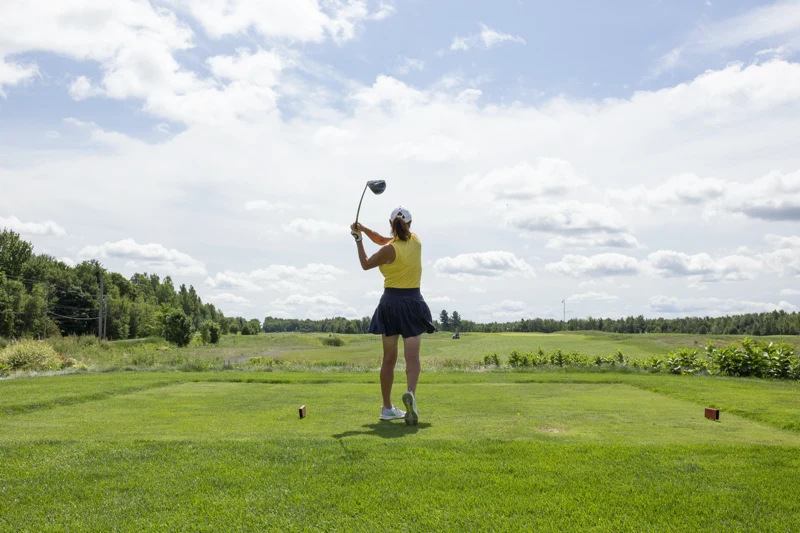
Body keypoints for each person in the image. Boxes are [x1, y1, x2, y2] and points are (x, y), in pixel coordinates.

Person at [350, 206, 435, 426]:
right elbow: (382, 239)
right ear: (410, 224)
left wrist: (358, 238)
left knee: (389, 359)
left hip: (390, 304)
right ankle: (411, 396)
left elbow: (366, 264)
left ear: (391, 224)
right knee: (412, 358)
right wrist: (364, 230)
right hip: (413, 302)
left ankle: (387, 408)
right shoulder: (416, 241)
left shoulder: (389, 250)